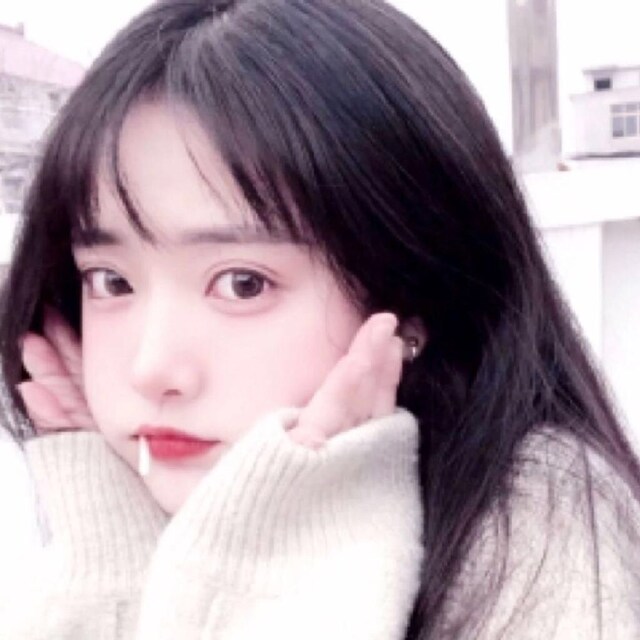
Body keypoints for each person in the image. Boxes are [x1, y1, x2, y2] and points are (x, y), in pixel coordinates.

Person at [0, 0, 639, 637]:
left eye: (243, 284)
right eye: (110, 281)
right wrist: (116, 565)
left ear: (410, 301)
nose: (151, 369)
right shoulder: (151, 495)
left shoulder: (543, 536)